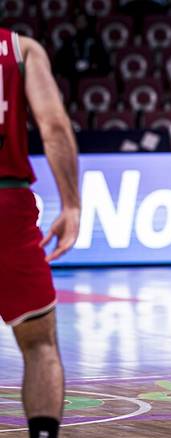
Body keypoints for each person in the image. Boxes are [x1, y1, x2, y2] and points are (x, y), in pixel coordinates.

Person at [0, 29, 81, 437]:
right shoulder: (20, 49)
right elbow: (53, 126)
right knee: (39, 344)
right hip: (6, 205)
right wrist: (71, 204)